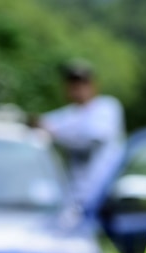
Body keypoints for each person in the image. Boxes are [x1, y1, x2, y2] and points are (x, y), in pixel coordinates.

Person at [40, 58, 126, 210]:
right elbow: (40, 123)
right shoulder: (69, 114)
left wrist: (55, 134)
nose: (78, 88)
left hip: (103, 197)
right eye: (73, 83)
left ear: (94, 85)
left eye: (82, 83)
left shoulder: (106, 107)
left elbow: (90, 139)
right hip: (74, 199)